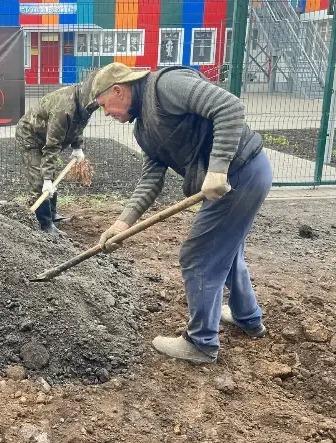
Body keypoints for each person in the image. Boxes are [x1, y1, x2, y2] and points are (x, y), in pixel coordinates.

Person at [91, 62, 273, 364]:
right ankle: (247, 317)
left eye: (103, 105)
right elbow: (151, 178)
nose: (106, 113)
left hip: (239, 174)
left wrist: (218, 168)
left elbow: (229, 107)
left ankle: (201, 343)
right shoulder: (144, 129)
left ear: (118, 91)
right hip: (238, 178)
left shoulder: (165, 86)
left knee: (198, 256)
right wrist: (123, 223)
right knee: (225, 252)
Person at [15, 70, 99, 234]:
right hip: (30, 135)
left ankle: (52, 214)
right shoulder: (63, 108)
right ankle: (45, 224)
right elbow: (52, 145)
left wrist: (77, 146)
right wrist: (46, 179)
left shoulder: (87, 101)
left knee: (50, 174)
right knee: (39, 180)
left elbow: (77, 124)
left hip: (45, 134)